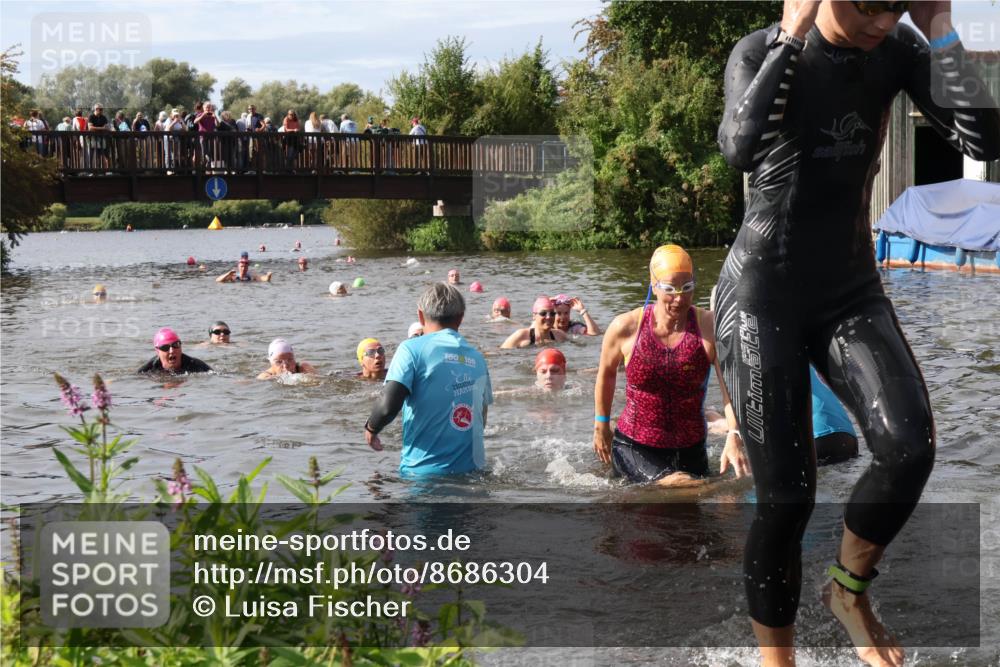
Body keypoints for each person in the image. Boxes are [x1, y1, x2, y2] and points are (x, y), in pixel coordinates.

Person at [715, 2, 1000, 664]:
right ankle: (776, 660)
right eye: (867, 5)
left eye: (893, 6)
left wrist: (941, 32)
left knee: (910, 445)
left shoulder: (899, 50)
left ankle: (847, 590)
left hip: (848, 287)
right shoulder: (760, 50)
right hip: (763, 293)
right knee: (788, 497)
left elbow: (985, 142)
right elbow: (738, 146)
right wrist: (792, 33)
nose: (878, 22)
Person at [593, 245, 748, 487]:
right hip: (635, 446)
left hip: (691, 448)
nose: (679, 298)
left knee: (693, 518)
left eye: (687, 287)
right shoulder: (625, 327)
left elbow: (731, 386)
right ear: (653, 286)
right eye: (669, 289)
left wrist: (734, 434)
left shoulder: (708, 326)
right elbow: (607, 374)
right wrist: (601, 424)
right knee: (686, 488)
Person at [363, 282, 493, 477]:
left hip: (423, 475)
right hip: (472, 473)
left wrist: (371, 428)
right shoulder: (477, 358)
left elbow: (387, 406)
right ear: (461, 318)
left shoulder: (410, 349)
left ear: (421, 316)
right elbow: (481, 418)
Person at [500, 297, 569, 348]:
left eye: (552, 313)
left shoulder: (560, 335)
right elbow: (501, 353)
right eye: (543, 313)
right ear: (534, 316)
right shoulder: (521, 336)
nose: (548, 317)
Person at [138, 328, 211, 374]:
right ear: (158, 351)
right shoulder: (148, 369)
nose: (171, 350)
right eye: (165, 347)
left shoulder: (196, 365)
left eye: (175, 345)